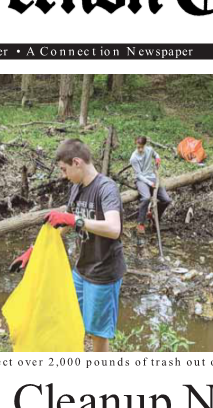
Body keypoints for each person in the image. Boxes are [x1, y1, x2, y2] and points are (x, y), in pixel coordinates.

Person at [10, 139, 126, 352]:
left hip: (104, 272)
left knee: (97, 333)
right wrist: (35, 251)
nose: (64, 175)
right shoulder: (76, 188)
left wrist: (76, 221)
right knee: (71, 318)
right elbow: (64, 224)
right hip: (82, 270)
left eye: (64, 169)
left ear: (77, 162)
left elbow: (113, 228)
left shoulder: (106, 188)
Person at [130, 135, 170, 238]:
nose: (139, 149)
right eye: (138, 147)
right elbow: (138, 175)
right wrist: (149, 183)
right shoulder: (134, 158)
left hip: (152, 177)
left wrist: (157, 159)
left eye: (141, 147)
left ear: (145, 145)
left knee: (166, 200)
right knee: (146, 197)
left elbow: (156, 154)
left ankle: (154, 217)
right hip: (141, 180)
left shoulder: (149, 150)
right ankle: (140, 223)